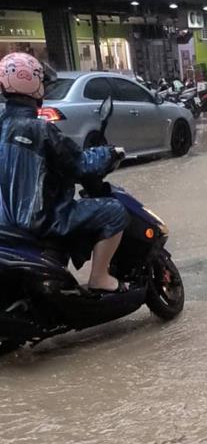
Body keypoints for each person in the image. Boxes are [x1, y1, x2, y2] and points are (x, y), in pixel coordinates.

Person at [0, 52, 127, 291]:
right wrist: (110, 154)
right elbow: (80, 164)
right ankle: (99, 278)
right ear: (33, 83)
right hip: (41, 219)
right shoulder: (40, 130)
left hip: (5, 222)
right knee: (114, 211)